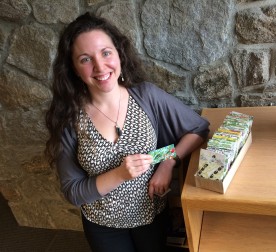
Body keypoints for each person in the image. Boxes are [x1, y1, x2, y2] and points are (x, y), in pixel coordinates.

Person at [45, 12, 209, 252]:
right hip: (103, 226)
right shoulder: (68, 117)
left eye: (106, 52)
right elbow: (73, 192)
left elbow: (199, 128)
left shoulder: (146, 96)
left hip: (151, 216)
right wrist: (120, 174)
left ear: (119, 54)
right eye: (85, 59)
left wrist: (166, 163)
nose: (100, 66)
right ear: (74, 68)